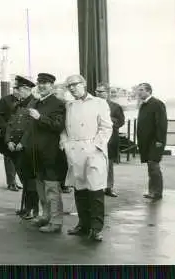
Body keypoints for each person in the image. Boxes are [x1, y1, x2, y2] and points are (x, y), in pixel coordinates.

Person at [61, 74, 112, 242]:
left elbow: (106, 127)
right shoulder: (69, 105)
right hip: (75, 151)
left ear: (83, 84)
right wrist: (66, 143)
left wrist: (96, 147)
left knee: (95, 190)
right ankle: (83, 224)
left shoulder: (99, 103)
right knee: (80, 190)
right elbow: (64, 128)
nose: (72, 88)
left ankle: (96, 228)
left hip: (93, 151)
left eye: (74, 84)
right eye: (69, 86)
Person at [21, 73, 66, 233]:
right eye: (39, 83)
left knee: (52, 188)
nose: (41, 86)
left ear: (52, 85)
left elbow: (58, 125)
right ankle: (45, 215)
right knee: (40, 185)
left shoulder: (58, 104)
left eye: (45, 83)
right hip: (36, 152)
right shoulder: (36, 102)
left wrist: (40, 117)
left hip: (51, 153)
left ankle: (56, 221)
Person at [4, 75, 38, 219]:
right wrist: (8, 141)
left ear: (26, 89)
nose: (16, 91)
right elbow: (10, 125)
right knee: (24, 178)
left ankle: (32, 209)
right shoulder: (17, 105)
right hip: (15, 148)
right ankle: (25, 207)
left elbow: (31, 127)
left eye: (17, 89)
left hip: (28, 148)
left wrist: (22, 143)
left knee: (30, 181)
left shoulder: (36, 104)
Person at [136, 83, 168, 201]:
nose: (138, 92)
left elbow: (161, 124)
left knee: (154, 165)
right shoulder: (144, 104)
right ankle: (152, 191)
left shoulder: (157, 104)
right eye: (138, 90)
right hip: (147, 141)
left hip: (155, 141)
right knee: (151, 166)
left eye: (141, 90)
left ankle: (157, 192)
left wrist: (160, 140)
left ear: (149, 91)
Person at [95, 83, 125, 197]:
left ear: (107, 93)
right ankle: (97, 187)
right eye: (96, 91)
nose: (98, 93)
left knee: (109, 164)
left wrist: (107, 120)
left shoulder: (115, 107)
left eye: (101, 91)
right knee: (95, 163)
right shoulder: (92, 105)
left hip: (110, 139)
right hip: (94, 139)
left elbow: (120, 121)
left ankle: (108, 187)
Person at [0, 84, 23, 191]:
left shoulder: (24, 100)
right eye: (16, 89)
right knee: (9, 158)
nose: (18, 91)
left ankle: (16, 181)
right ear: (13, 90)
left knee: (18, 159)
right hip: (8, 135)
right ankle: (11, 182)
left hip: (20, 135)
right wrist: (6, 129)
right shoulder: (5, 100)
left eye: (19, 89)